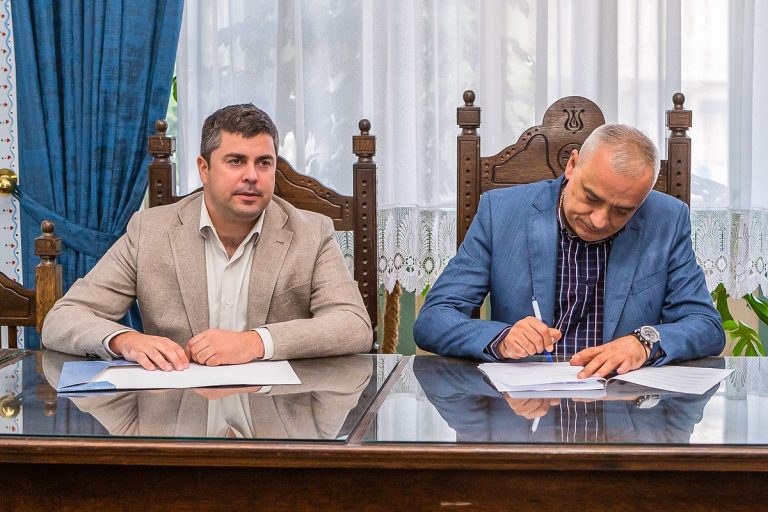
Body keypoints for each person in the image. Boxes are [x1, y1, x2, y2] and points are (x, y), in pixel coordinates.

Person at [43, 104, 372, 369]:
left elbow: (354, 324)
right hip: (179, 415)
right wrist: (125, 341)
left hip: (278, 414)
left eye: (264, 163)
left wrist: (254, 343)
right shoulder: (149, 231)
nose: (252, 176)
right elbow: (61, 319)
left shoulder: (312, 232)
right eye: (236, 161)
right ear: (204, 168)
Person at [413, 124, 725, 378]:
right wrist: (501, 339)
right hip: (526, 411)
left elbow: (706, 325)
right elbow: (433, 319)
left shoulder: (667, 219)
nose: (600, 220)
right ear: (572, 165)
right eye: (591, 198)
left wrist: (644, 342)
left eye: (622, 210)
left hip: (622, 408)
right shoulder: (501, 212)